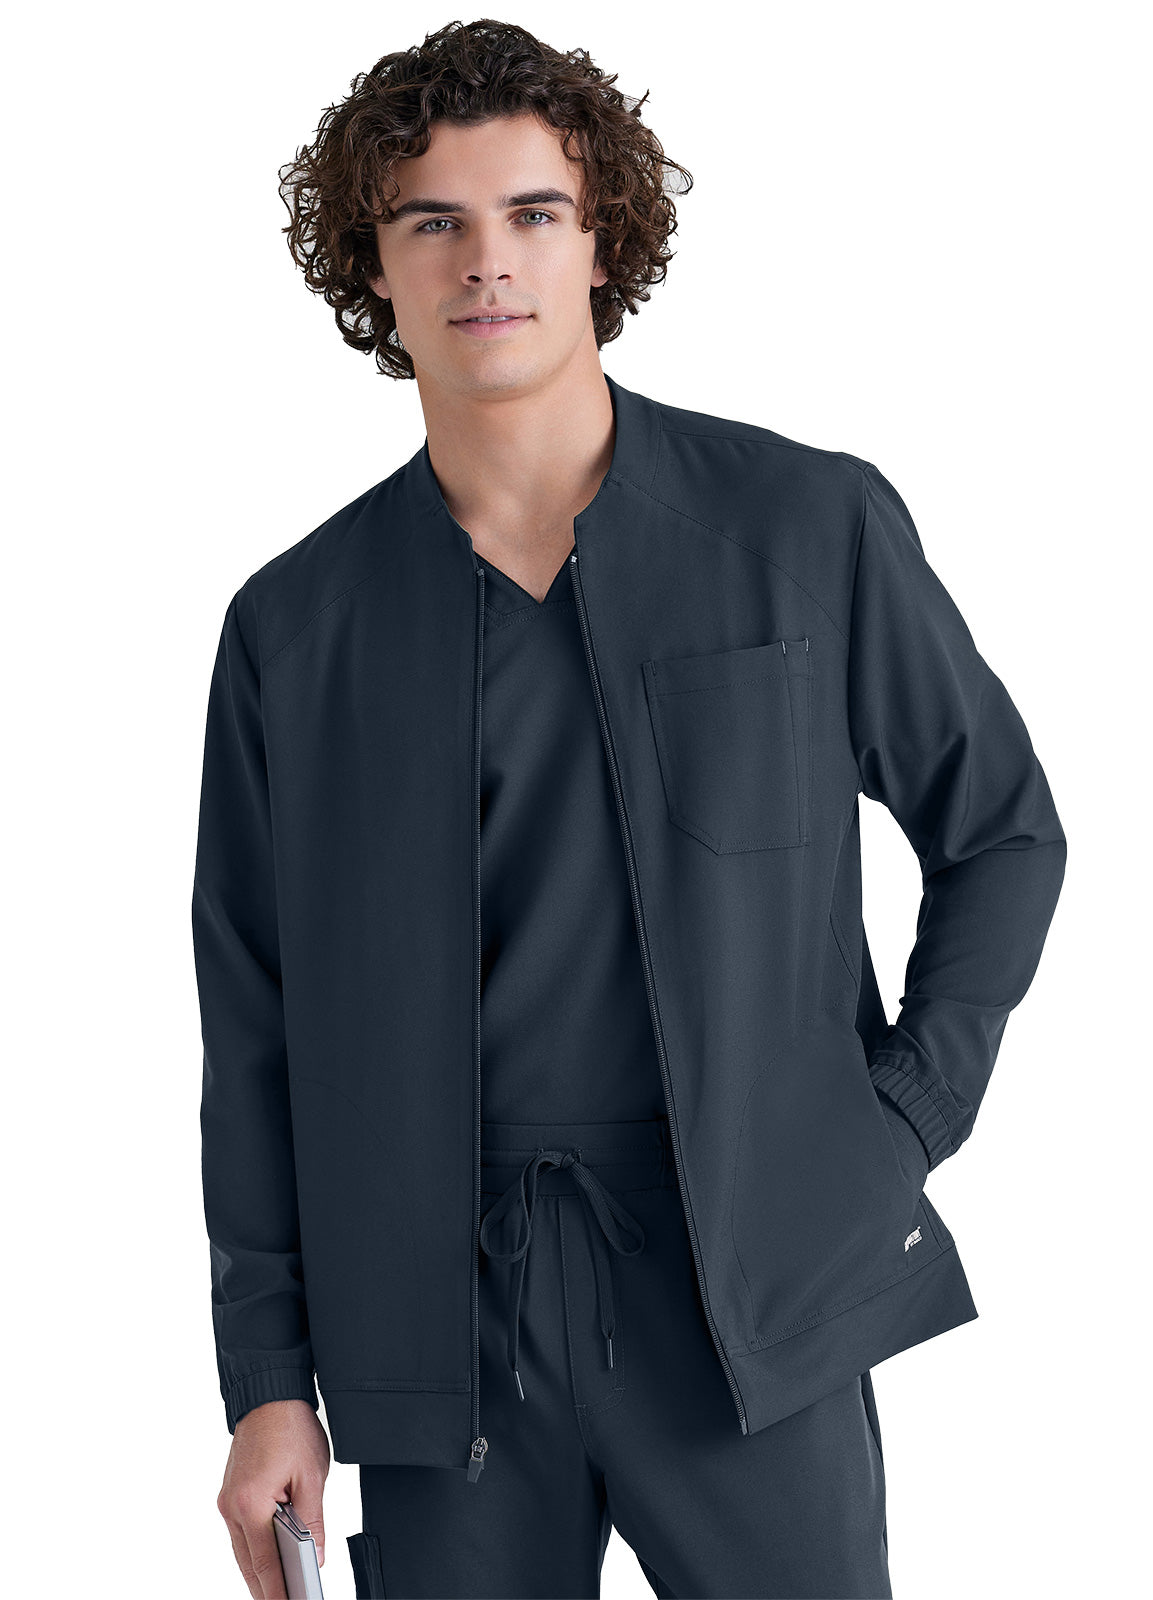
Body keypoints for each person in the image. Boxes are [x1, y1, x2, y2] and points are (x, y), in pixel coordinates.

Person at [192, 19, 1068, 1600]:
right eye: (432, 222)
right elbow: (254, 1022)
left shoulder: (804, 527)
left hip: (749, 1288)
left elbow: (1000, 830)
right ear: (373, 267)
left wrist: (900, 1122)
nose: (486, 261)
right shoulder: (295, 629)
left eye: (533, 212)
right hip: (440, 1327)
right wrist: (267, 1381)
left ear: (603, 240)